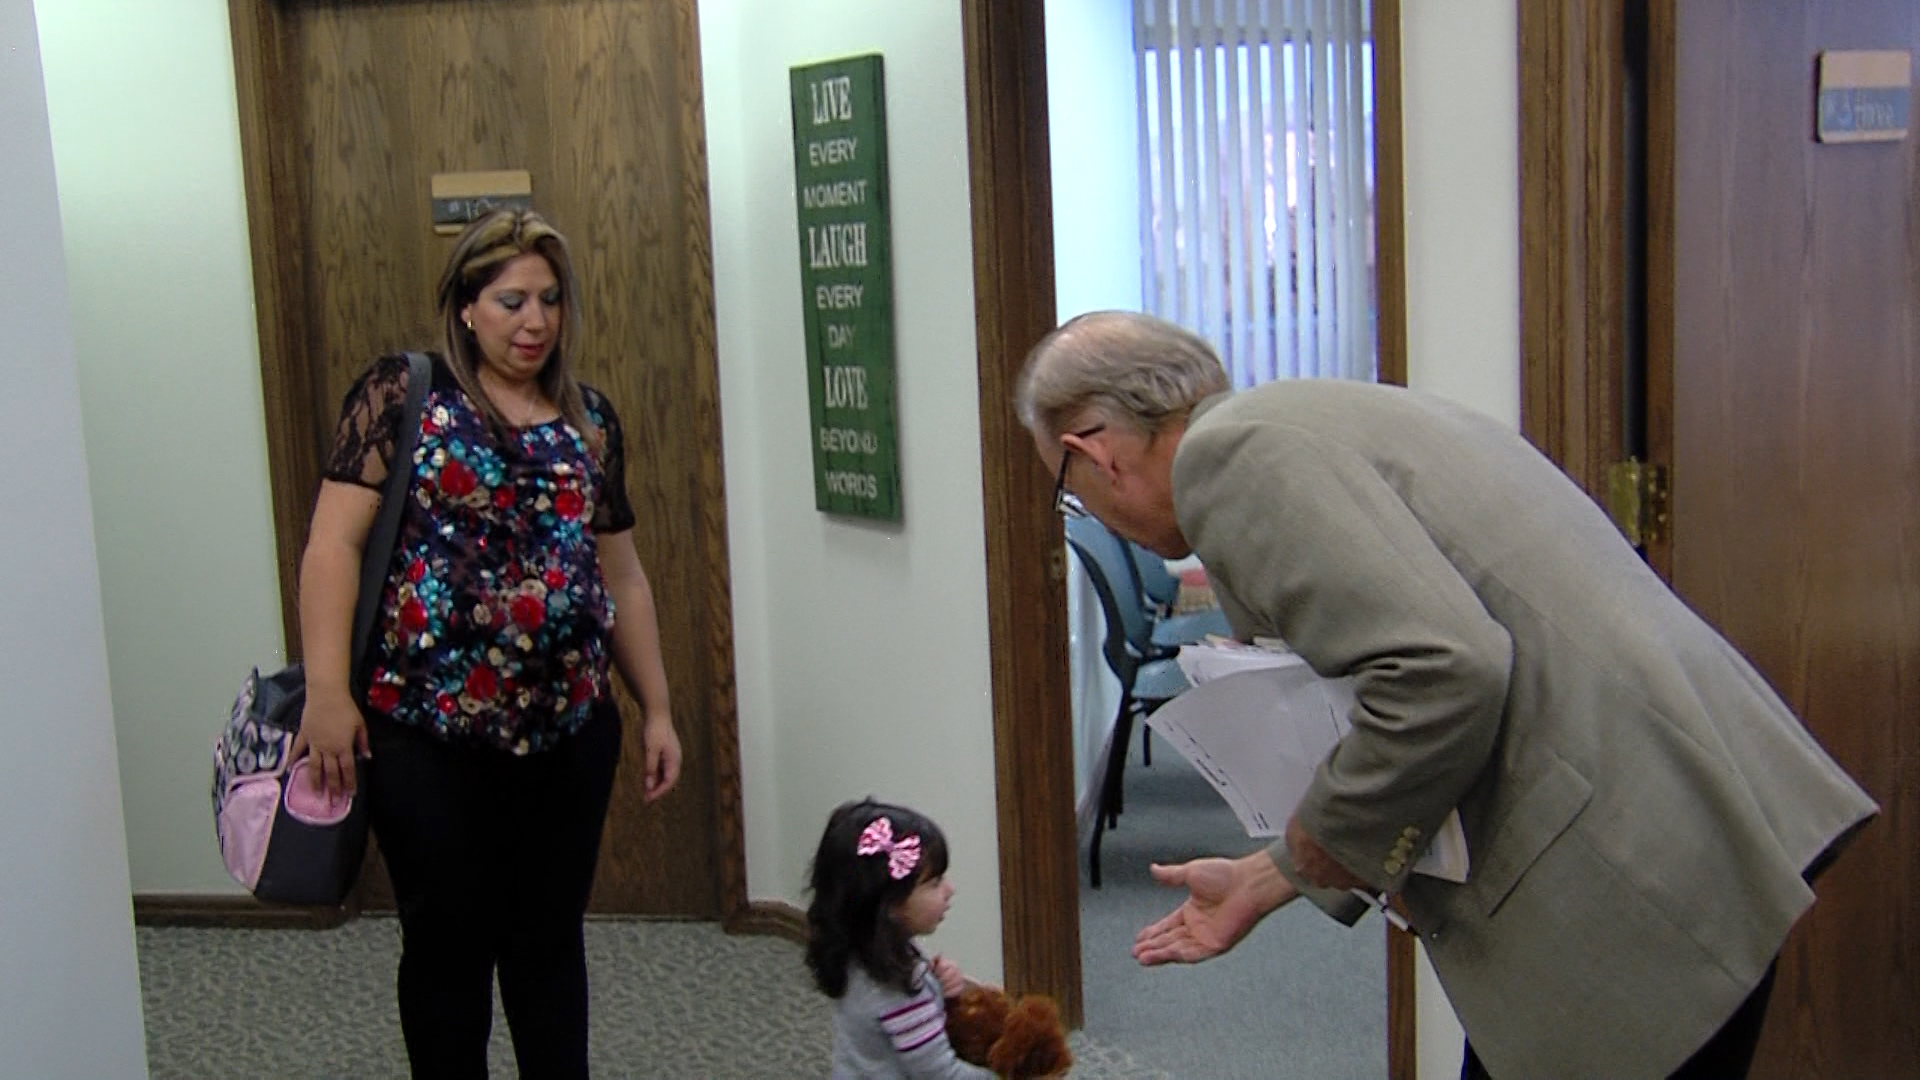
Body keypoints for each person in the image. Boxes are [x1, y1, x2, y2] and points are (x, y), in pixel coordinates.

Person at [1014, 310, 1878, 1079]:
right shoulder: (1311, 413)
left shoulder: (1227, 460)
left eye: (1067, 491)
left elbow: (1443, 670)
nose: (1084, 507)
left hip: (1623, 872)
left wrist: (1314, 841)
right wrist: (1274, 874)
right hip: (1669, 818)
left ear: (1095, 452)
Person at [292, 207, 683, 1078]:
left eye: (550, 300)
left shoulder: (589, 419)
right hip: (425, 735)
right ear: (466, 308)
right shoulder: (405, 395)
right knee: (448, 948)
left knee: (549, 944)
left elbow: (622, 576)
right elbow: (332, 547)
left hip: (567, 734)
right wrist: (326, 692)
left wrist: (656, 708)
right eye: (511, 301)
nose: (534, 321)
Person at [806, 799, 994, 1079]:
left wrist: (937, 987)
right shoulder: (898, 993)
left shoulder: (865, 952)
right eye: (934, 883)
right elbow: (942, 1074)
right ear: (890, 905)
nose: (950, 889)